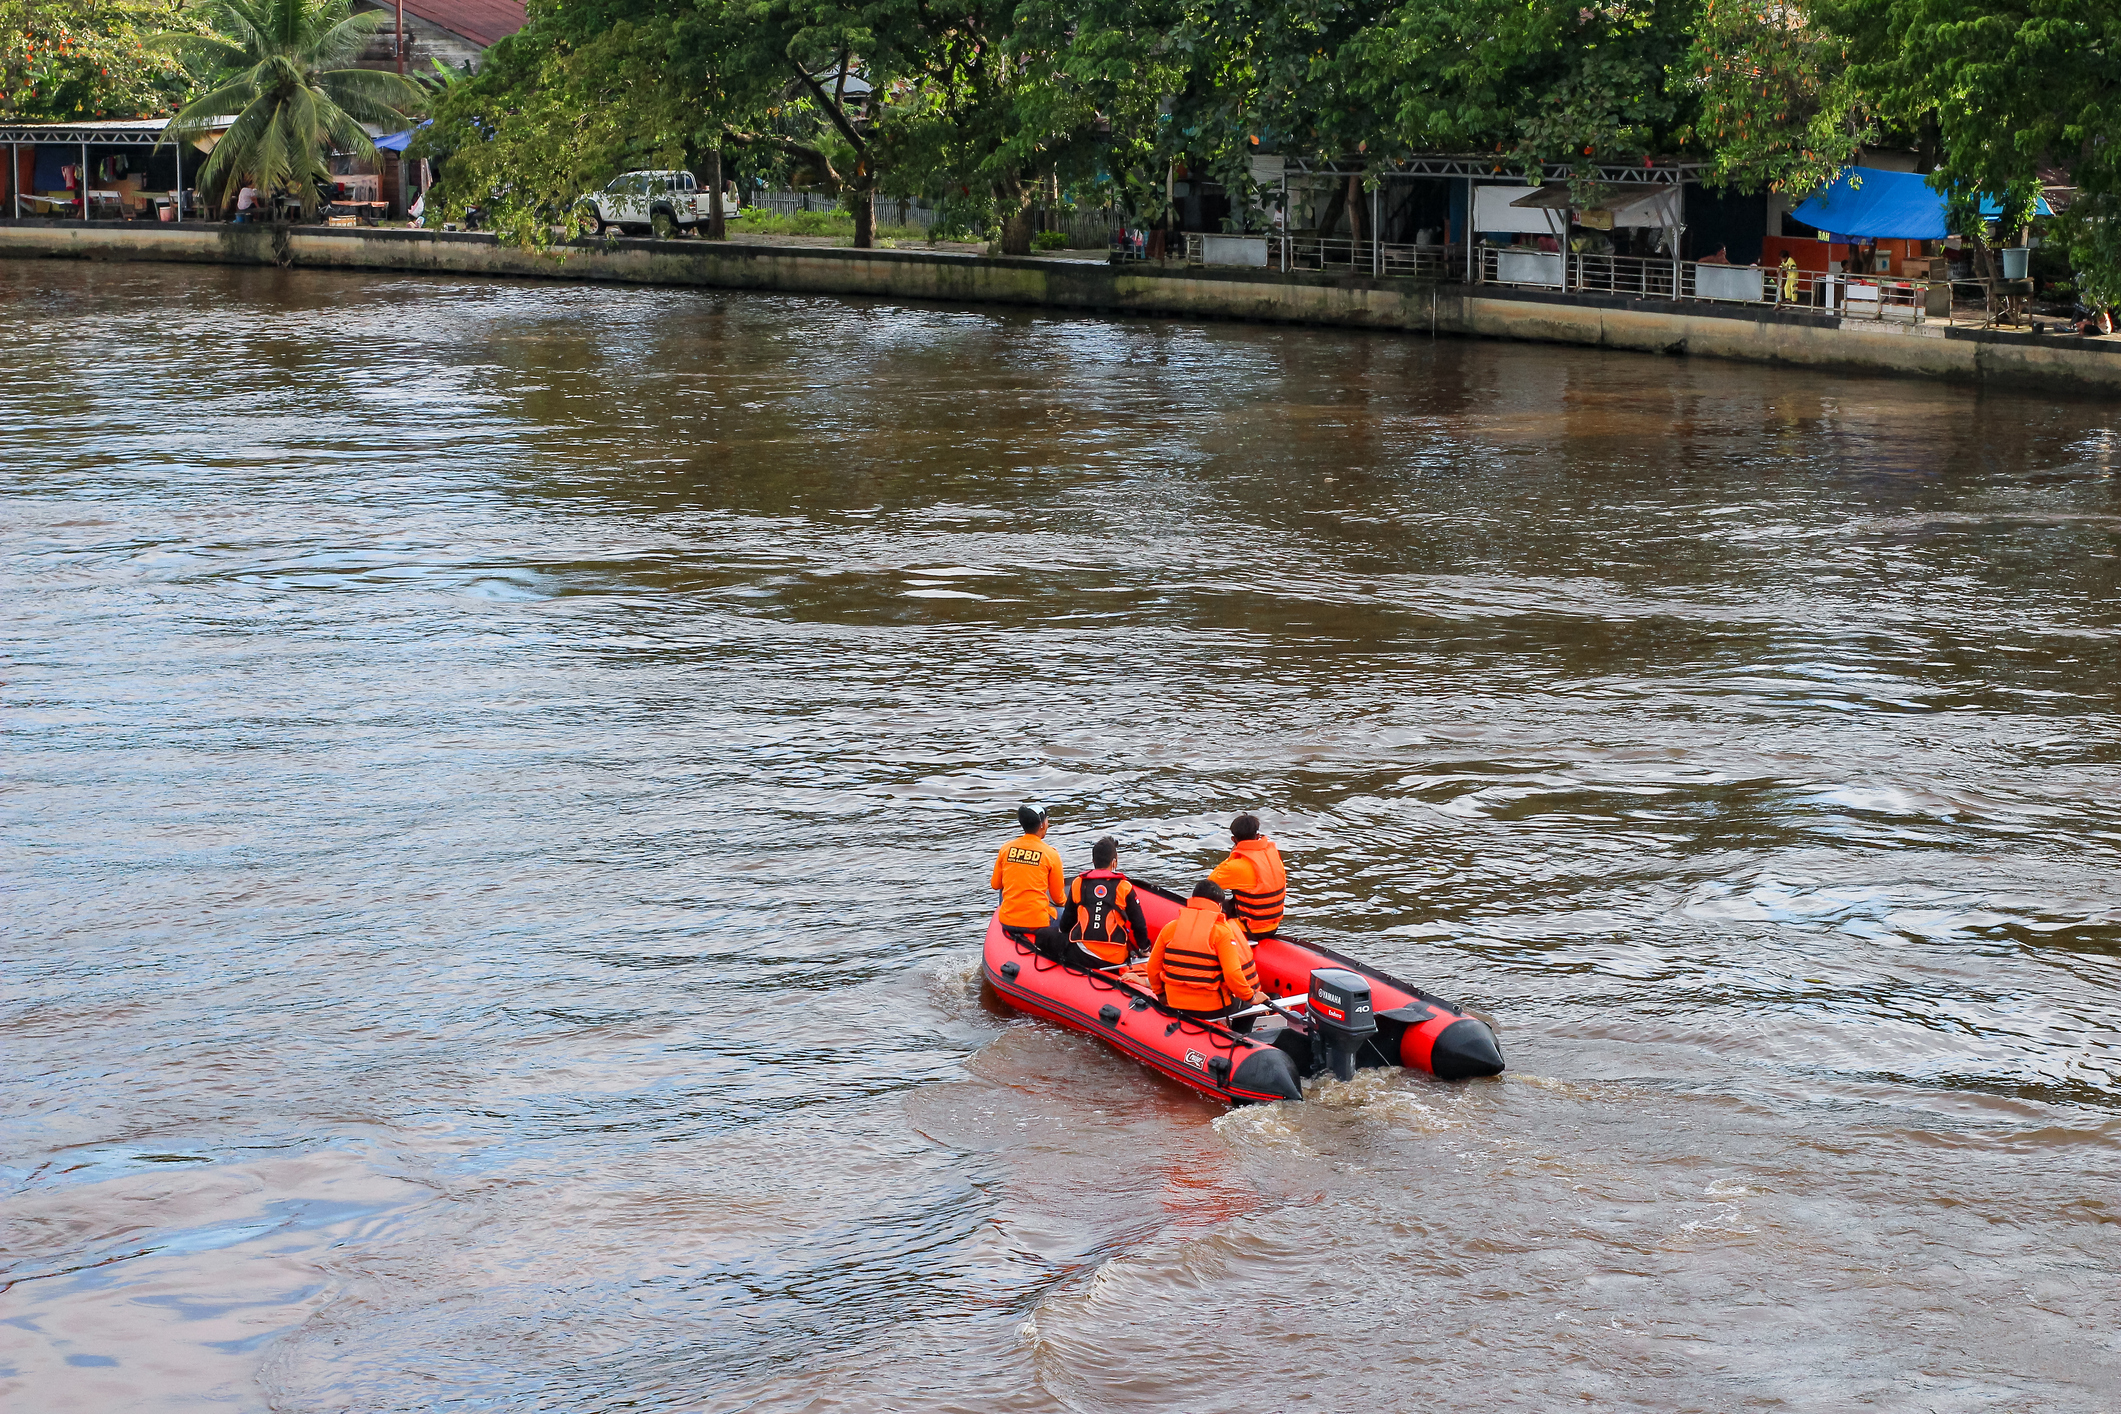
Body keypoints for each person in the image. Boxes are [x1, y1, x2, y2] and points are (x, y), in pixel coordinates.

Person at [1143, 882, 1267, 1030]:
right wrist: (1251, 997)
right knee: (1250, 1009)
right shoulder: (1221, 933)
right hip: (1212, 1008)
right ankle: (1239, 1040)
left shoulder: (1169, 928)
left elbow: (1152, 968)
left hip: (1175, 1003)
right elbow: (1232, 973)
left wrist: (1161, 994)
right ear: (1219, 906)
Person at [1057, 836, 1152, 967]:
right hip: (1116, 958)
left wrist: (1062, 936)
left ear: (1093, 861)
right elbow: (1139, 925)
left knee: (1043, 936)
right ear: (1114, 862)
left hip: (1083, 954)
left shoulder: (1078, 883)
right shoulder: (1124, 887)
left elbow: (1067, 923)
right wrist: (1144, 950)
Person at [990, 805, 1066, 961]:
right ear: (1042, 825)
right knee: (1070, 916)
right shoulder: (1051, 854)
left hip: (1008, 921)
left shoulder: (1006, 849)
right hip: (1037, 923)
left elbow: (996, 884)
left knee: (1005, 883)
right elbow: (1059, 898)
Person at [1208, 813, 1287, 939]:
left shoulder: (1234, 866)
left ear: (1233, 840)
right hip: (1273, 925)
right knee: (1228, 903)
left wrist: (1234, 854)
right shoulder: (1274, 855)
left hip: (1250, 930)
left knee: (1208, 901)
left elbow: (1208, 886)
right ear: (1258, 836)